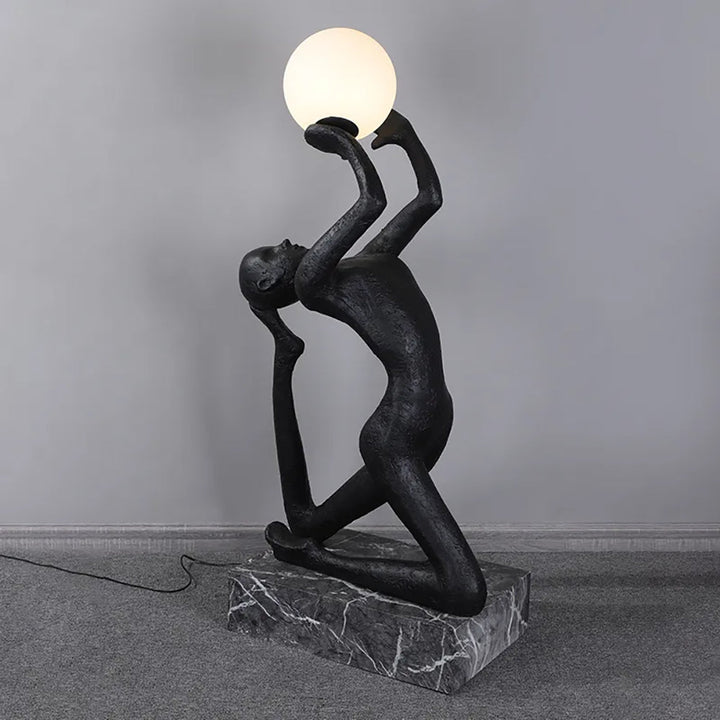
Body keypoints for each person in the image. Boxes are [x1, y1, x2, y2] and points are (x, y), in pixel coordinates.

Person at [239, 110, 487, 616]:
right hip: (397, 432)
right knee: (464, 590)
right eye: (271, 252)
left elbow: (428, 199)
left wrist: (406, 137)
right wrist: (337, 141)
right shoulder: (311, 283)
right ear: (270, 282)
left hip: (429, 417)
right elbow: (371, 199)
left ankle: (307, 544)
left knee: (307, 521)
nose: (283, 242)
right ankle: (319, 560)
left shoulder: (370, 259)